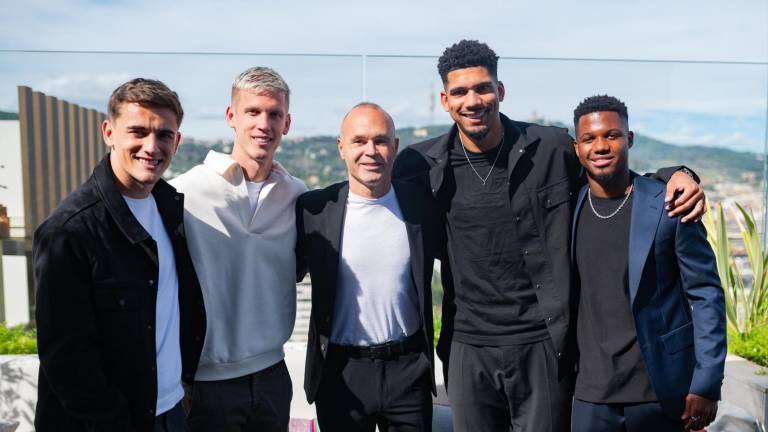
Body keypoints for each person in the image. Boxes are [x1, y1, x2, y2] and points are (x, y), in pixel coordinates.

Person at [392, 39, 707, 431]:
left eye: (482, 88)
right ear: (444, 100)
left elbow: (610, 173)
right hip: (467, 346)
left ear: (500, 90)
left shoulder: (551, 148)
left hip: (543, 344)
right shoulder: (420, 165)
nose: (472, 101)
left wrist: (675, 174)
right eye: (460, 92)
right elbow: (369, 196)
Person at [33, 78, 206, 432]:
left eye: (164, 135)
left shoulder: (170, 208)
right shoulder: (69, 230)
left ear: (177, 141)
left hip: (172, 410)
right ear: (109, 133)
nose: (151, 147)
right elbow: (66, 358)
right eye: (138, 132)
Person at [570, 95, 725, 432]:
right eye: (589, 138)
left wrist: (707, 381)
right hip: (588, 395)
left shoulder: (670, 205)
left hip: (660, 392)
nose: (601, 146)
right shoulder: (570, 206)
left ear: (629, 138)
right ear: (576, 148)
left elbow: (706, 294)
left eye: (612, 135)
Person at [170, 66, 306, 431]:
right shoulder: (184, 193)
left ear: (287, 123)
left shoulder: (297, 195)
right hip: (206, 384)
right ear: (231, 116)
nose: (264, 124)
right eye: (253, 112)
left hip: (273, 376)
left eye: (274, 114)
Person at [296, 103, 442, 431]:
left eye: (381, 140)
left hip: (408, 372)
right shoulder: (314, 210)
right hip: (340, 375)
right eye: (359, 141)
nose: (371, 151)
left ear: (395, 147)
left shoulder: (421, 206)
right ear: (341, 147)